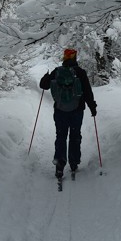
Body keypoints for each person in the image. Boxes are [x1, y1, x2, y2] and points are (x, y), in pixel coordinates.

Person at [40, 48, 97, 179]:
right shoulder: (80, 72)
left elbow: (44, 86)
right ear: (75, 58)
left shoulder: (57, 71)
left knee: (61, 136)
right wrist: (92, 107)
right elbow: (87, 91)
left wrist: (45, 77)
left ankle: (60, 164)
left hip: (60, 111)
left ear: (64, 58)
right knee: (75, 135)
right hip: (77, 111)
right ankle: (74, 162)